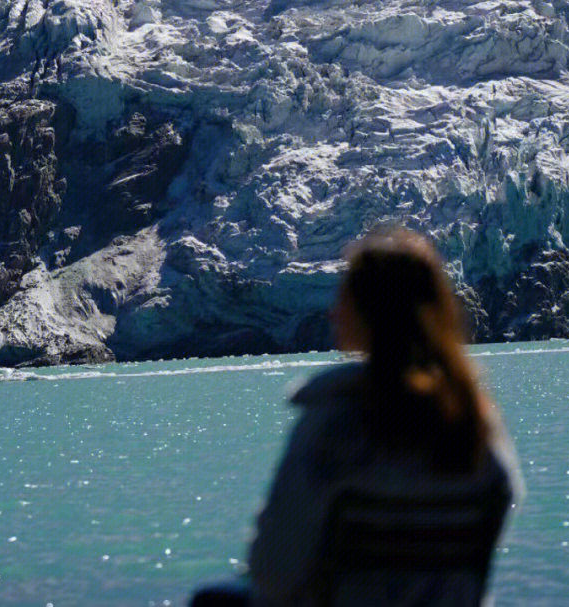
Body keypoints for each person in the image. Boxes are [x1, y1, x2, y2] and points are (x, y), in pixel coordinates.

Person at [193, 227, 522, 606]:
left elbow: (274, 572)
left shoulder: (333, 424)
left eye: (345, 295)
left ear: (369, 312)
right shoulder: (474, 423)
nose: (333, 310)